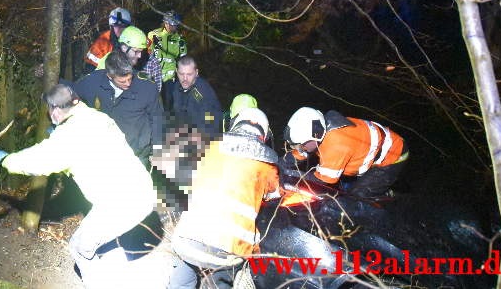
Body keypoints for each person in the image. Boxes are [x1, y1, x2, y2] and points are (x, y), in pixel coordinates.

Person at [0, 84, 156, 288]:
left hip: (122, 204)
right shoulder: (97, 117)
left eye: (50, 110)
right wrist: (60, 132)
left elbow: (38, 160)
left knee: (79, 246)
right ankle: (116, 274)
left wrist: (6, 160)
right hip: (142, 189)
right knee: (103, 239)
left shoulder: (67, 138)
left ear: (56, 110)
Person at [168, 108, 280, 289]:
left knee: (182, 276)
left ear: (235, 125)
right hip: (230, 250)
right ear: (264, 134)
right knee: (219, 283)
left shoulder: (211, 146)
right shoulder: (269, 166)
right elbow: (274, 197)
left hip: (190, 236)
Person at [283, 106, 409, 197]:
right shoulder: (318, 130)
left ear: (315, 135)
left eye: (302, 145)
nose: (301, 149)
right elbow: (301, 152)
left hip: (393, 154)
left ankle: (383, 197)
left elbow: (323, 181)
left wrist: (290, 178)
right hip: (366, 151)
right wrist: (280, 165)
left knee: (357, 196)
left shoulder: (336, 144)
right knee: (345, 186)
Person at [74, 49, 163, 166]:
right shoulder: (92, 82)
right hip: (104, 155)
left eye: (130, 78)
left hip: (137, 155)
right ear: (109, 76)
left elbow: (157, 119)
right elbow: (70, 93)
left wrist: (157, 150)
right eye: (122, 81)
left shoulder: (147, 86)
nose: (128, 83)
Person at [163, 55, 222, 140]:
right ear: (176, 71)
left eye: (189, 74)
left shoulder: (202, 91)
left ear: (196, 73)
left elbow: (212, 122)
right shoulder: (176, 88)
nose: (185, 79)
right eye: (181, 74)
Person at [97, 26, 163, 92]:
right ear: (124, 48)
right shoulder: (108, 62)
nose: (140, 55)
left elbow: (156, 92)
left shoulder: (152, 63)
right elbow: (97, 87)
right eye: (136, 51)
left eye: (142, 51)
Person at [148, 11, 187, 83]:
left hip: (170, 78)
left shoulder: (180, 40)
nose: (173, 27)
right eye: (171, 25)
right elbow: (147, 54)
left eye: (175, 25)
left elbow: (184, 60)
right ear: (165, 23)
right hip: (154, 75)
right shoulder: (153, 35)